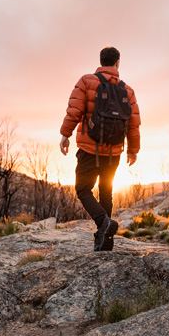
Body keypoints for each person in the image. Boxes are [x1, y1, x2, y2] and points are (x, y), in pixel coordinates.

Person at [60, 46, 141, 251]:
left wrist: (65, 134)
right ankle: (104, 238)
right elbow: (133, 123)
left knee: (83, 189)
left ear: (100, 61)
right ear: (117, 63)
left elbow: (74, 110)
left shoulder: (86, 81)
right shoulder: (127, 90)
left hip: (89, 147)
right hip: (114, 150)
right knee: (106, 192)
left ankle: (102, 224)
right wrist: (133, 149)